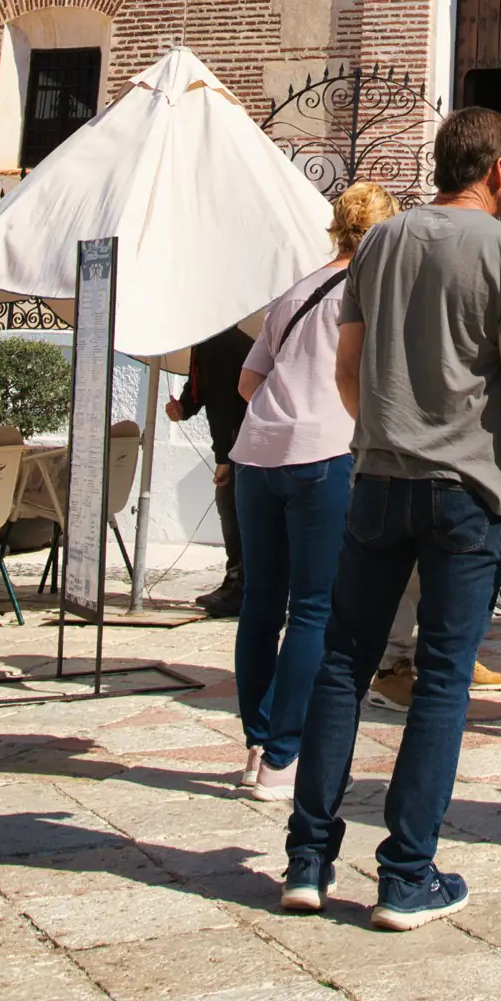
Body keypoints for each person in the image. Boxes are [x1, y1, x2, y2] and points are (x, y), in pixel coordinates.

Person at [280, 106, 501, 932]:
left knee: (344, 661)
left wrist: (380, 429)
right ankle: (406, 873)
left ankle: (308, 859)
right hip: (466, 493)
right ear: (497, 169)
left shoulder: (382, 241)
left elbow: (347, 366)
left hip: (376, 479)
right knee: (442, 678)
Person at [228, 181, 399, 795]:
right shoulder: (373, 291)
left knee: (261, 602)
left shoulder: (295, 289)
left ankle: (256, 741)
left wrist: (284, 409)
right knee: (314, 607)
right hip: (323, 453)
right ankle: (280, 753)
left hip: (256, 455)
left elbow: (249, 382)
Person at [166, 323, 253, 617]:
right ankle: (239, 583)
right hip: (236, 444)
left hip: (244, 443)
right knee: (231, 508)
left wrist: (224, 458)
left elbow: (228, 404)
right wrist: (183, 407)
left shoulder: (223, 343)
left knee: (233, 508)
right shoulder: (205, 342)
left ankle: (239, 586)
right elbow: (200, 389)